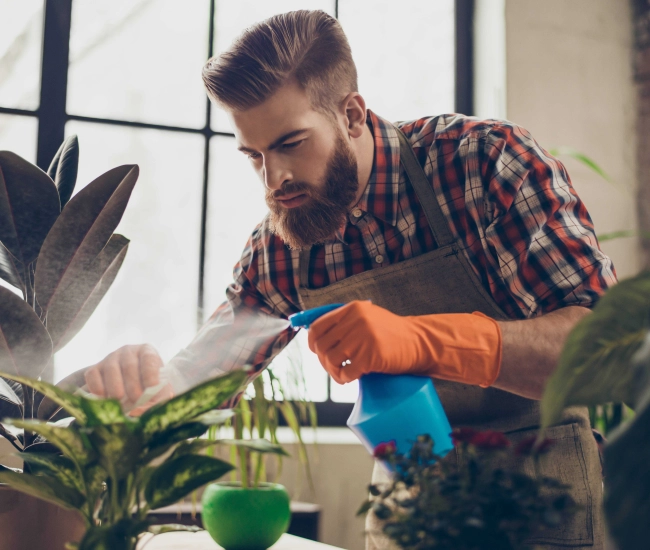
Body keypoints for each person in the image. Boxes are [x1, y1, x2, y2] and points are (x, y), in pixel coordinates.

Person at [84, 10, 615, 549]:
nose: (274, 181)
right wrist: (151, 392)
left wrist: (421, 341)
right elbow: (208, 371)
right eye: (254, 155)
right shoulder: (280, 246)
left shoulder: (485, 164)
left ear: (353, 114)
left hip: (540, 496)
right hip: (409, 503)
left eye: (291, 144)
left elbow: (602, 354)